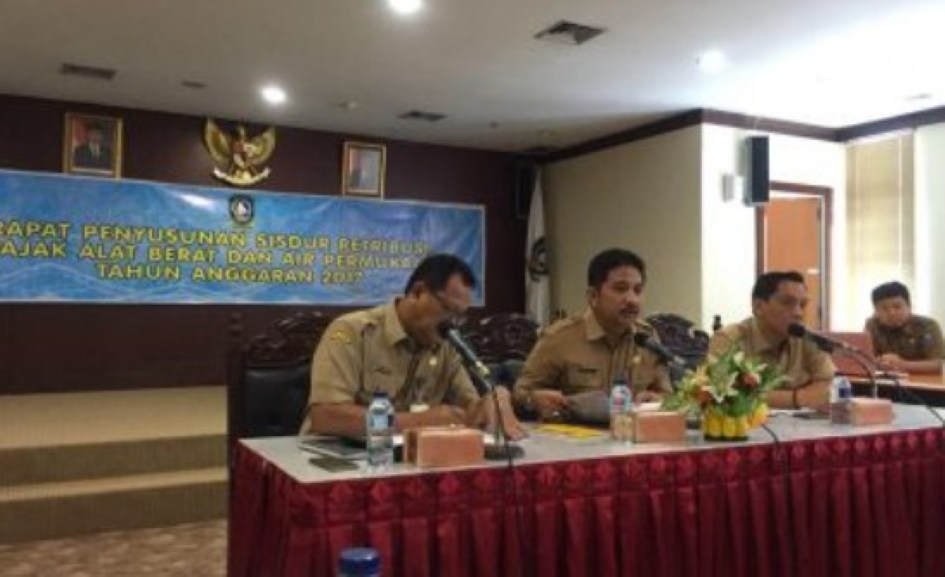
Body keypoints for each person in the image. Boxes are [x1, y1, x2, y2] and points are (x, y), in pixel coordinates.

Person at [306, 253, 524, 439]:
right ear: (418, 293)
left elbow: (469, 409)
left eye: (460, 316)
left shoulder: (445, 345)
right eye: (448, 311)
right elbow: (325, 417)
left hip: (407, 462)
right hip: (337, 458)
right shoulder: (352, 331)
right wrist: (417, 422)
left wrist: (495, 399)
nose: (452, 325)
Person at [513, 248, 672, 421]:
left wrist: (659, 400)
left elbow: (668, 396)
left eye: (638, 290)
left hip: (631, 433)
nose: (632, 300)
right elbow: (519, 395)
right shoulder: (559, 338)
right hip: (573, 434)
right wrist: (533, 401)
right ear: (593, 296)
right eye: (620, 289)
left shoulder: (646, 339)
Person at [708, 271, 835, 410]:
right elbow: (721, 392)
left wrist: (765, 397)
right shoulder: (729, 339)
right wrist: (797, 398)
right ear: (758, 307)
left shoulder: (807, 339)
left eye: (802, 305)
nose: (798, 313)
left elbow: (828, 384)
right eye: (787, 303)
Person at [866, 281, 944, 375]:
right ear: (875, 311)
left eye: (897, 307)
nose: (891, 313)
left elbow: (937, 365)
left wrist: (902, 364)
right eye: (884, 308)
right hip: (885, 380)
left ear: (909, 306)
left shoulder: (927, 326)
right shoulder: (873, 325)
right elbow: (864, 358)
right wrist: (879, 361)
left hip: (922, 381)